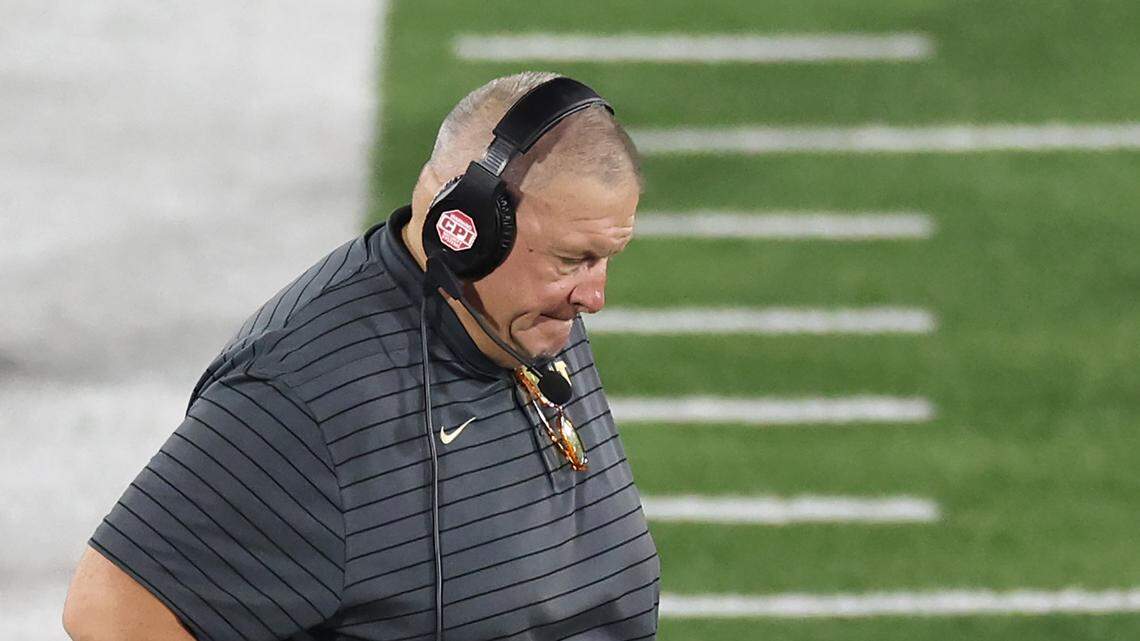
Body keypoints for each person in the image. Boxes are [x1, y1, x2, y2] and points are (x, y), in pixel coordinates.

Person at [63, 71, 661, 641]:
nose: (595, 296)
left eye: (606, 259)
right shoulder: (304, 396)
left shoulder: (522, 320)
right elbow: (110, 612)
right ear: (468, 227)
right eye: (572, 260)